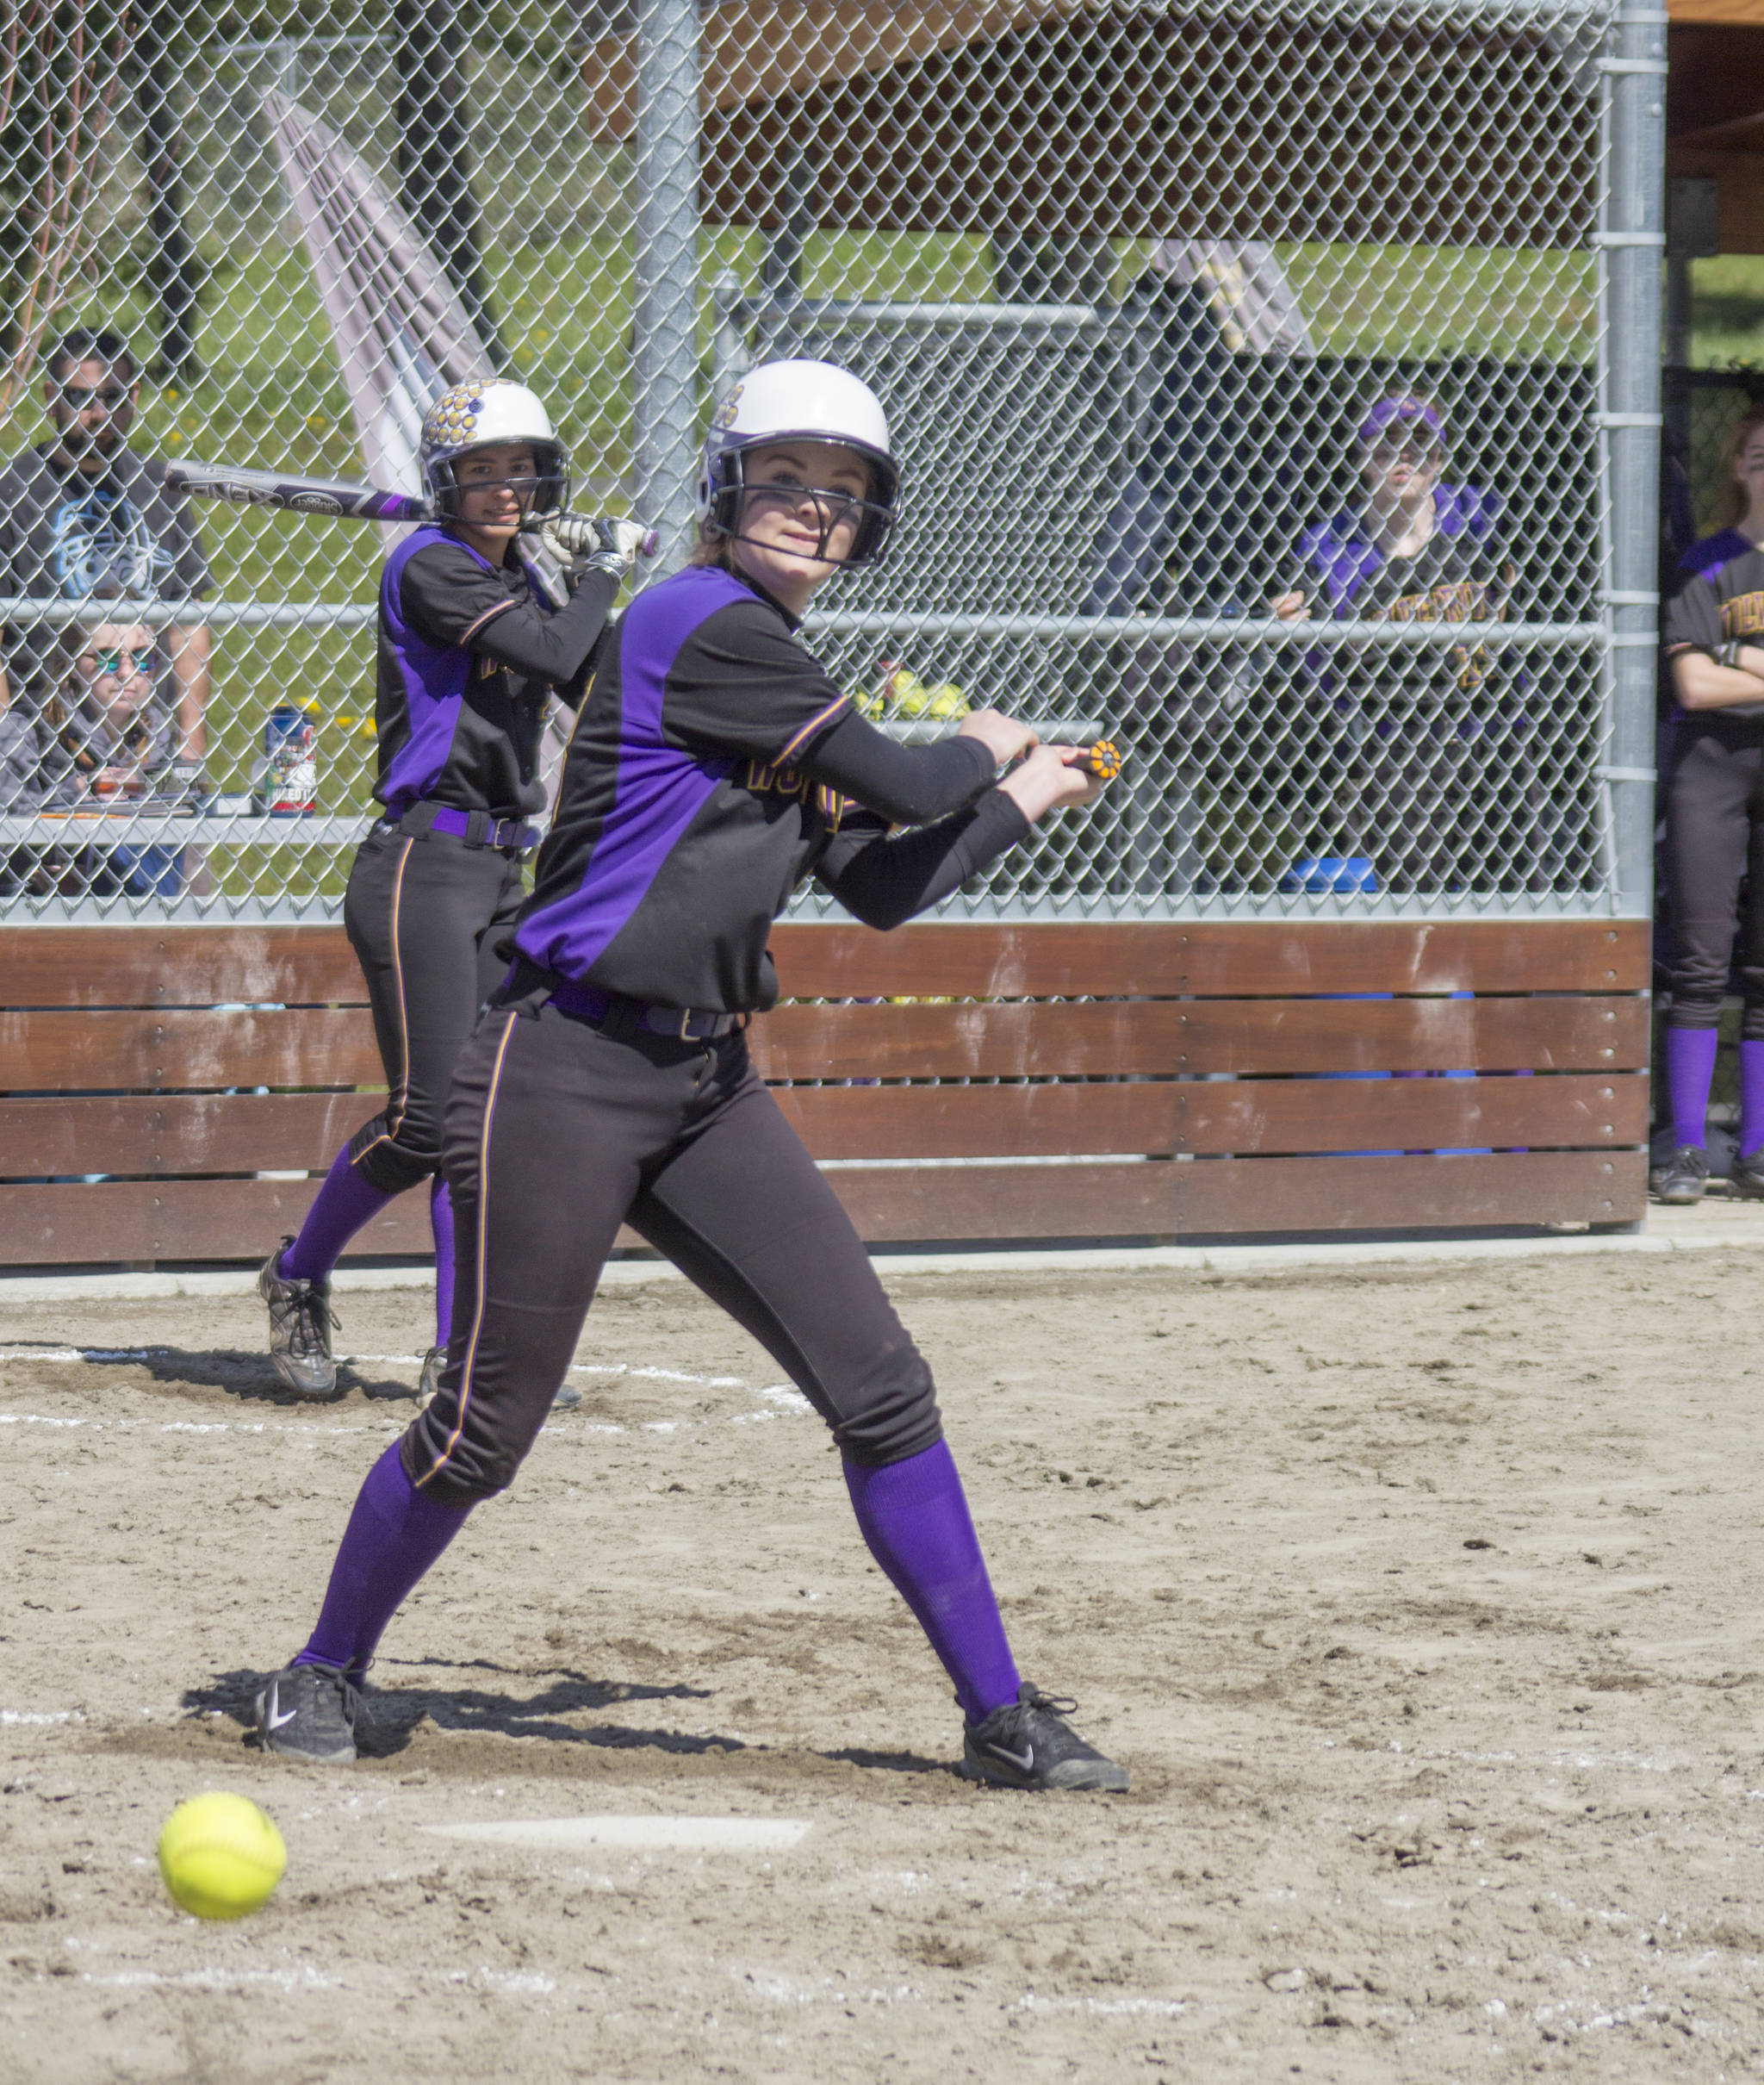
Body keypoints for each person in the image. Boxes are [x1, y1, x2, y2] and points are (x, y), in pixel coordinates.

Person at [246, 358, 1129, 1793]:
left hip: (702, 1086)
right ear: (727, 486)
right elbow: (908, 787)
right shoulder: (695, 622)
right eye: (785, 478)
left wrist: (1026, 796)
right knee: (481, 1434)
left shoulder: (784, 675)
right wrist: (977, 741)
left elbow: (886, 880)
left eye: (842, 492)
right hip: (562, 1069)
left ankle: (998, 1712)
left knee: (881, 1390)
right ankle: (322, 1667)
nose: (812, 510)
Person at [256, 377, 644, 1400]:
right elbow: (555, 649)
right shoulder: (429, 564)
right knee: (426, 1117)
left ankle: (459, 1354)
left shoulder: (524, 580)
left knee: (482, 1123)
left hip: (500, 867)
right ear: (444, 484)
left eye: (520, 471)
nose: (507, 490)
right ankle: (297, 1274)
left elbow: (589, 679)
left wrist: (584, 583)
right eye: (482, 473)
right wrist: (599, 568)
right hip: (419, 867)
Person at [1270, 394, 1530, 893]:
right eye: (1386, 446)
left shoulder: (1479, 517)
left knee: (1518, 885)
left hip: (1488, 727)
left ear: (1440, 459)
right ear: (1362, 458)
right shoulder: (1330, 547)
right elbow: (1319, 667)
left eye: (1420, 445)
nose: (1404, 458)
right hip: (1393, 738)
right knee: (1421, 890)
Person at [0, 327, 212, 803]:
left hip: (143, 738)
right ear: (51, 397)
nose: (97, 415)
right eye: (80, 397)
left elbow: (187, 627)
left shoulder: (160, 489)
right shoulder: (13, 492)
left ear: (134, 396)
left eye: (112, 397)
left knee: (156, 874)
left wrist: (190, 754)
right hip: (43, 737)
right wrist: (5, 748)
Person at [1651, 401, 1764, 1203]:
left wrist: (1745, 669)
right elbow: (1694, 684)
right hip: (1713, 768)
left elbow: (1724, 673)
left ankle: (1757, 1149)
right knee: (1699, 960)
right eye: (1757, 452)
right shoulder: (1710, 561)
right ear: (1735, 465)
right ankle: (1685, 1149)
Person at [25, 616, 186, 899]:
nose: (126, 672)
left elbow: (187, 790)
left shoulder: (157, 732)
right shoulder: (39, 731)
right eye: (108, 659)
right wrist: (77, 789)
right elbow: (15, 810)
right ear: (73, 664)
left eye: (142, 658)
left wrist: (140, 782)